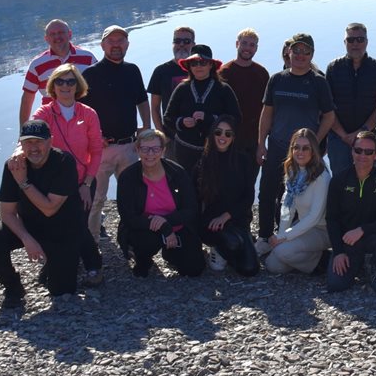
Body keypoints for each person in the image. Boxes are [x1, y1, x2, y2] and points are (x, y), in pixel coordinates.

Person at [0, 120, 82, 309]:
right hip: (30, 225)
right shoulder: (13, 165)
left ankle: (56, 263)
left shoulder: (64, 162)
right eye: (28, 142)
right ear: (21, 143)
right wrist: (27, 238)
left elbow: (49, 208)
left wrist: (24, 182)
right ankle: (13, 287)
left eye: (39, 141)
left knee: (62, 291)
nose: (34, 148)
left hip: (63, 231)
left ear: (50, 141)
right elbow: (7, 213)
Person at [258, 33, 336, 242]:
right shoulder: (277, 79)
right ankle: (264, 237)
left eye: (306, 51)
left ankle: (289, 237)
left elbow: (329, 117)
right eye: (297, 50)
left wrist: (315, 142)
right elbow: (267, 113)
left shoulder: (318, 82)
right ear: (288, 52)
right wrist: (260, 144)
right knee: (266, 193)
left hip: (302, 152)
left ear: (311, 54)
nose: (301, 55)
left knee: (295, 195)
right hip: (277, 145)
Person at [31, 64, 105, 287]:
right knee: (57, 224)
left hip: (83, 180)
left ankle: (92, 266)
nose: (65, 86)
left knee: (77, 224)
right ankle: (69, 263)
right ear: (52, 85)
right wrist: (17, 154)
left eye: (70, 81)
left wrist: (88, 183)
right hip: (53, 183)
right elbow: (29, 137)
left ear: (78, 86)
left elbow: (96, 150)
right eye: (60, 81)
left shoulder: (88, 113)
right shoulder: (44, 112)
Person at [80, 24, 150, 242]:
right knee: (97, 198)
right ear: (102, 45)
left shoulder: (132, 70)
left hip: (129, 146)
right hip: (102, 149)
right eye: (112, 41)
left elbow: (142, 101)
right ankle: (92, 240)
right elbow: (81, 112)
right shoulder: (90, 74)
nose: (116, 45)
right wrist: (92, 138)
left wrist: (146, 129)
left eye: (121, 41)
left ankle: (131, 236)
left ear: (127, 45)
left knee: (132, 196)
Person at [116, 129, 205, 277]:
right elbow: (128, 217)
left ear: (163, 150)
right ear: (137, 150)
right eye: (145, 149)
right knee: (146, 245)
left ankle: (170, 253)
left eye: (155, 149)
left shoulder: (178, 173)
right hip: (144, 229)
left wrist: (167, 222)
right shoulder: (128, 177)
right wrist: (163, 227)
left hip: (176, 225)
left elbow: (191, 209)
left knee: (194, 269)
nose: (150, 154)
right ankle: (143, 259)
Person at [325, 131, 376, 293]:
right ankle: (357, 263)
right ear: (352, 151)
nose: (362, 155)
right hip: (348, 242)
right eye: (358, 150)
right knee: (336, 285)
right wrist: (338, 252)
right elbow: (331, 219)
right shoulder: (338, 180)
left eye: (368, 152)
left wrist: (362, 230)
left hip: (373, 237)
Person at [195, 115, 260, 276]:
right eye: (218, 132)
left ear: (233, 137)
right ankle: (218, 248)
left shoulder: (243, 161)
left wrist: (227, 215)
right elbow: (194, 199)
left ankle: (235, 247)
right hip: (212, 223)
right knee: (231, 244)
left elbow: (248, 197)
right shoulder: (203, 162)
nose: (222, 137)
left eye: (228, 134)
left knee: (250, 269)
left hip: (236, 219)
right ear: (212, 134)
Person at [162, 44, 241, 175]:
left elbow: (236, 118)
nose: (198, 66)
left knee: (213, 190)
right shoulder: (182, 88)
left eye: (203, 62)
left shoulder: (223, 89)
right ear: (189, 66)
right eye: (194, 63)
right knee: (186, 189)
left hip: (215, 151)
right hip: (184, 152)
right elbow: (168, 118)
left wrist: (211, 119)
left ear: (211, 65)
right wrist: (182, 122)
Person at [325, 22, 376, 178]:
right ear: (345, 42)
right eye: (351, 40)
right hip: (339, 139)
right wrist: (344, 135)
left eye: (360, 39)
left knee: (372, 181)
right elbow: (327, 106)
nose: (355, 44)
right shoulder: (333, 68)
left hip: (369, 138)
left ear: (366, 42)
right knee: (340, 182)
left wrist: (362, 131)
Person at [263, 128, 332, 273]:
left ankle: (321, 262)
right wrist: (281, 235)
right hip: (302, 225)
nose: (300, 152)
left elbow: (314, 217)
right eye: (296, 147)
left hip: (321, 230)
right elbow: (288, 207)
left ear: (313, 150)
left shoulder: (322, 176)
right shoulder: (292, 170)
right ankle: (304, 256)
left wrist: (284, 237)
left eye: (306, 148)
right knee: (273, 266)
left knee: (282, 252)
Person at [19, 19, 95, 126]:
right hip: (52, 123)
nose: (57, 37)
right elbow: (27, 99)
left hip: (84, 121)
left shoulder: (88, 57)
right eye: (52, 34)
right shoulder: (37, 64)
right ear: (46, 39)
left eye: (61, 32)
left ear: (69, 34)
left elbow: (100, 90)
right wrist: (24, 131)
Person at [218, 28, 270, 162]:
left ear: (256, 48)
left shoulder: (262, 73)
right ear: (237, 44)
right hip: (229, 138)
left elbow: (268, 108)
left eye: (252, 45)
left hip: (254, 140)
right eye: (244, 43)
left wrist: (262, 142)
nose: (247, 48)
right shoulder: (224, 72)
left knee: (249, 181)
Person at [147, 27, 195, 133]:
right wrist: (162, 134)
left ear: (193, 45)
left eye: (186, 41)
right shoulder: (161, 71)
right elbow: (154, 108)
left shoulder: (203, 68)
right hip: (171, 137)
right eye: (177, 41)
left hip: (200, 136)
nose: (181, 44)